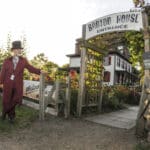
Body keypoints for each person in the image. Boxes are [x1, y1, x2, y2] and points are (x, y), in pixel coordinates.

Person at [0, 41, 46, 123]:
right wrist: (1, 82)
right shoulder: (7, 60)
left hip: (18, 85)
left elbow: (30, 68)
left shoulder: (23, 60)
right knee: (6, 100)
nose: (19, 51)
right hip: (7, 84)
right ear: (13, 50)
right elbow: (3, 72)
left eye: (20, 49)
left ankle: (4, 112)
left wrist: (40, 71)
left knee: (16, 99)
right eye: (17, 49)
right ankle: (11, 117)